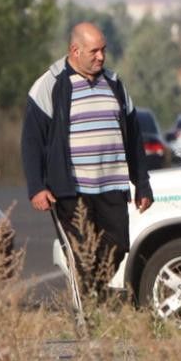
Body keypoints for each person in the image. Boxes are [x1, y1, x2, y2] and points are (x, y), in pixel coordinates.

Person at [21, 23, 153, 299]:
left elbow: (134, 137)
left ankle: (93, 295)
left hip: (112, 186)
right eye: (94, 51)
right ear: (75, 50)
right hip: (72, 191)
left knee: (119, 245)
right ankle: (88, 308)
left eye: (103, 50)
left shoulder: (115, 84)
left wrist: (142, 183)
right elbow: (32, 141)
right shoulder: (51, 84)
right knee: (83, 255)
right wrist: (37, 187)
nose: (101, 57)